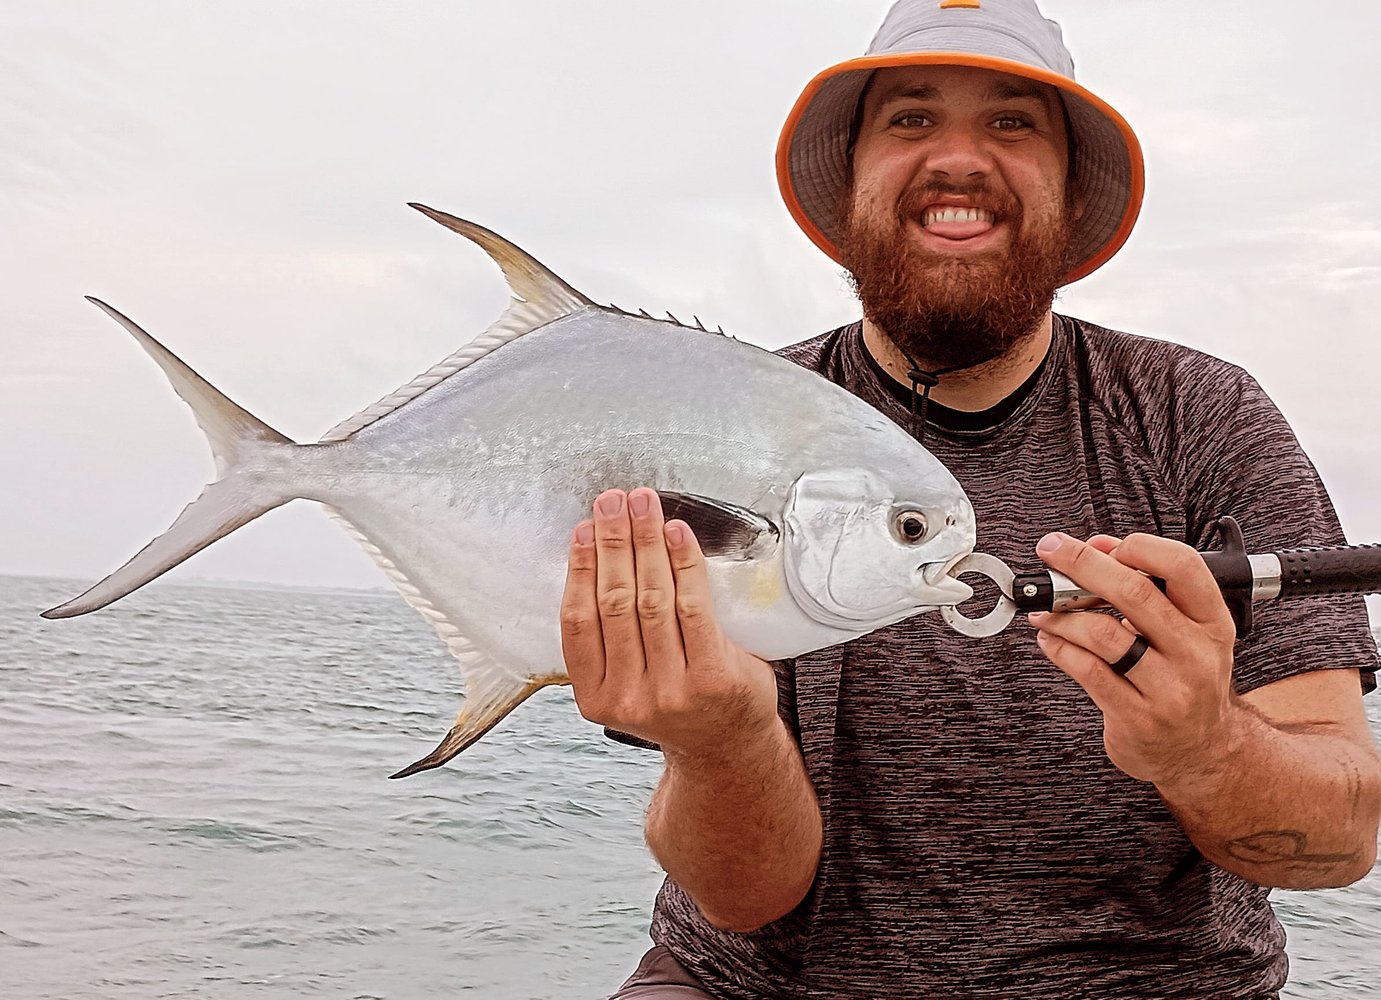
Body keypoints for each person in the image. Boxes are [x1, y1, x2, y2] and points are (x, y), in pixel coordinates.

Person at [558, 1, 1381, 996]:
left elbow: (1338, 840)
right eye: (908, 119)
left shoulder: (1196, 416)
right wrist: (724, 736)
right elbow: (742, 898)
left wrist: (1204, 747)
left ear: (1072, 201)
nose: (957, 159)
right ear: (847, 192)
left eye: (1011, 123)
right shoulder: (726, 431)